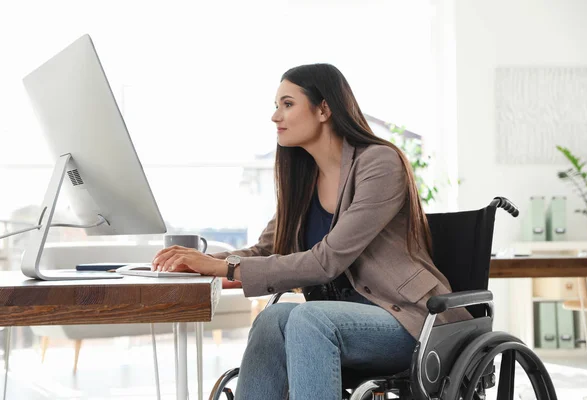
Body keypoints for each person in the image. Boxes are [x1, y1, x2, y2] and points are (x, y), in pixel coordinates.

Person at [151, 63, 471, 399]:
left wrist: (225, 267)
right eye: (276, 106)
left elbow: (327, 261)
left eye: (287, 104)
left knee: (308, 318)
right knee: (272, 320)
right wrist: (197, 261)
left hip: (409, 320)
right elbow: (263, 251)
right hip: (333, 324)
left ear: (324, 109)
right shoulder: (303, 181)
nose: (276, 117)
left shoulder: (380, 163)